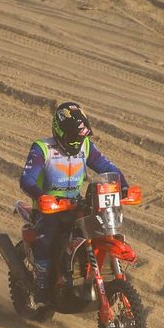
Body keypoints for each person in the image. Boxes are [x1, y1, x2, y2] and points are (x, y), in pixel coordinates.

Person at [18, 101, 126, 299]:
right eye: (73, 137)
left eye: (80, 136)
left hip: (76, 205)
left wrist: (124, 186)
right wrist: (41, 196)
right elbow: (27, 179)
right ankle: (41, 283)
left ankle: (94, 275)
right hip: (48, 208)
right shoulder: (43, 149)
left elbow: (107, 167)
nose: (77, 141)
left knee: (101, 230)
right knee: (48, 238)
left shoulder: (86, 146)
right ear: (60, 131)